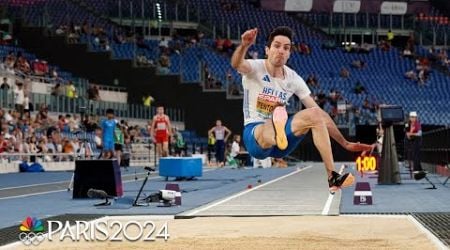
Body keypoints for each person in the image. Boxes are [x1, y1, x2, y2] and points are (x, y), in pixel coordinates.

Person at [231, 27, 374, 192]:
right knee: (269, 125)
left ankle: (332, 177)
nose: (281, 51)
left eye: (286, 48)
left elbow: (321, 114)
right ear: (267, 50)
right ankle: (276, 130)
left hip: (282, 142)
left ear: (290, 53)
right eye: (277, 46)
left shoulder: (293, 78)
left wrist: (345, 143)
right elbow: (236, 63)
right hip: (255, 134)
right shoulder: (255, 68)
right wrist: (244, 46)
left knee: (314, 114)